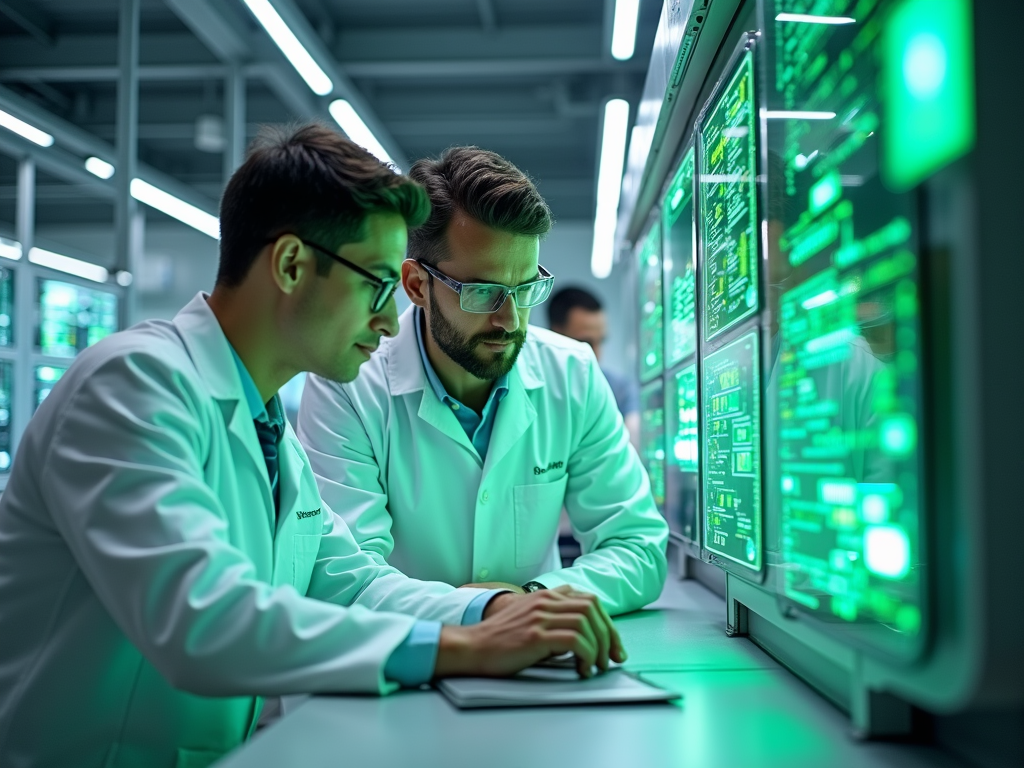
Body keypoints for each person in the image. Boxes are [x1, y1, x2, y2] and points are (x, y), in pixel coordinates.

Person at [0, 125, 623, 768]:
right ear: (292, 265)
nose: (389, 323)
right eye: (378, 285)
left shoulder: (269, 429)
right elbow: (202, 619)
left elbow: (352, 584)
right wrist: (464, 648)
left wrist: (496, 609)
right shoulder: (131, 385)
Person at [297, 146, 668, 617]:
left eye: (526, 288)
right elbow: (346, 576)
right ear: (416, 285)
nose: (509, 320)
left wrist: (529, 601)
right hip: (402, 662)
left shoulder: (571, 373)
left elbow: (639, 548)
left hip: (539, 656)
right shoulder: (348, 385)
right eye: (483, 293)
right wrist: (482, 612)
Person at [548, 286, 641, 444]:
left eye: (601, 341)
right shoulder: (535, 390)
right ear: (555, 334)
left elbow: (633, 440)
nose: (596, 354)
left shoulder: (619, 388)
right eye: (586, 342)